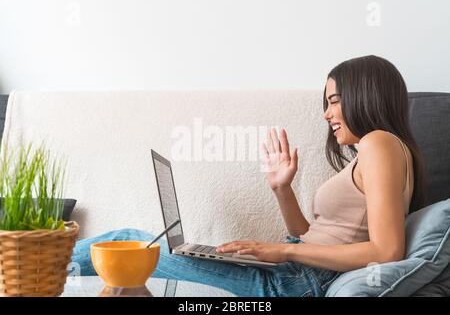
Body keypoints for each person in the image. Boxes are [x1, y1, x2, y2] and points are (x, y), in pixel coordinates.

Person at [71, 55, 426, 297]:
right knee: (130, 262)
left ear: (365, 96)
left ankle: (32, 267)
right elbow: (308, 237)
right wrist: (282, 189)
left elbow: (387, 250)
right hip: (298, 271)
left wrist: (284, 252)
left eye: (334, 101)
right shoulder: (378, 151)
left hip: (296, 282)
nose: (326, 113)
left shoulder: (379, 143)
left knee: (130, 240)